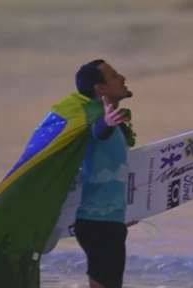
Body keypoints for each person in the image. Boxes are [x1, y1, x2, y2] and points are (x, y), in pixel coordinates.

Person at [74, 59, 137, 288]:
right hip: (97, 224)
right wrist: (107, 122)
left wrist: (125, 211)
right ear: (100, 90)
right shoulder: (97, 122)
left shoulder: (113, 125)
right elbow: (99, 132)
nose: (122, 77)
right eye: (114, 76)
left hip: (108, 221)